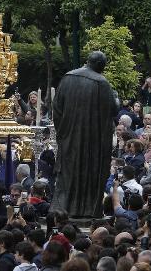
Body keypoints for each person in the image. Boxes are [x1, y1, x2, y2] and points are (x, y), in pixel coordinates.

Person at [51, 51, 119, 218]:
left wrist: (63, 132)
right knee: (88, 175)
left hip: (69, 136)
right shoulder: (101, 82)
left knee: (67, 173)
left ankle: (61, 209)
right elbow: (113, 109)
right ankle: (85, 210)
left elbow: (57, 108)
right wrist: (116, 98)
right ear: (100, 66)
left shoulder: (67, 77)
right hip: (92, 142)